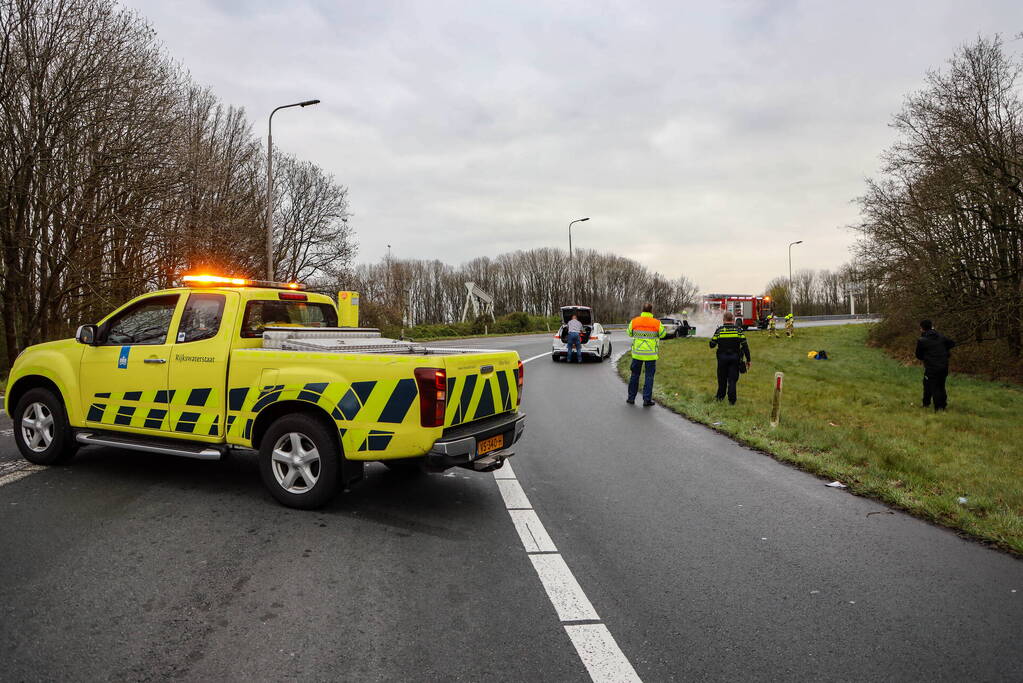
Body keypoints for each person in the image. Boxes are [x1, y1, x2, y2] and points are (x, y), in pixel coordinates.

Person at [626, 303, 666, 406]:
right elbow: (663, 334)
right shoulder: (656, 323)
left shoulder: (635, 321)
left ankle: (631, 398)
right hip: (650, 355)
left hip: (637, 354)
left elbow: (629, 333)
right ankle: (646, 400)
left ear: (642, 310)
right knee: (649, 377)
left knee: (634, 375)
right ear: (651, 311)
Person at [710, 312, 751, 404]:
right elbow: (745, 346)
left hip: (722, 358)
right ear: (733, 320)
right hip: (735, 358)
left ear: (723, 319)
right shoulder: (738, 330)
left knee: (722, 379)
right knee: (732, 380)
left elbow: (712, 345)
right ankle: (732, 401)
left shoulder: (719, 330)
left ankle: (720, 398)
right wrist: (748, 360)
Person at [915, 319, 955, 411]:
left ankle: (938, 407)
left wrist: (927, 357)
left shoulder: (922, 340)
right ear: (932, 326)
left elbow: (918, 355)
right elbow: (952, 343)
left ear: (922, 328)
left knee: (933, 386)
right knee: (940, 385)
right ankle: (938, 405)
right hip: (944, 366)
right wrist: (944, 351)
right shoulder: (941, 337)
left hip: (931, 367)